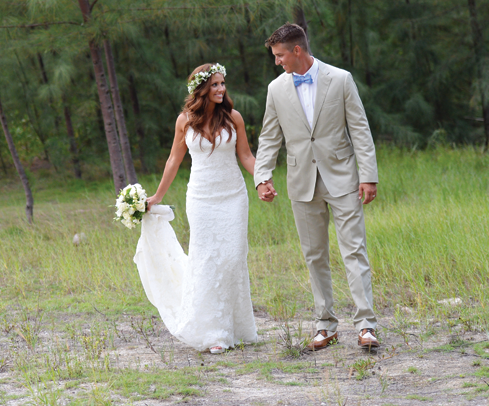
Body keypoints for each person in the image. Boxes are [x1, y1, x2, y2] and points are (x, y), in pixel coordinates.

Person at [254, 23, 380, 351]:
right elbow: (269, 136)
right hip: (301, 182)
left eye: (280, 55)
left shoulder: (340, 80)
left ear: (297, 50)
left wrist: (368, 175)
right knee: (314, 255)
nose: (277, 62)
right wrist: (262, 176)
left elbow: (360, 130)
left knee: (354, 250)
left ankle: (366, 324)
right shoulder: (276, 89)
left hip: (343, 179)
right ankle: (325, 325)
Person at [138, 63, 258, 354]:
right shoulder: (185, 121)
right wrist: (156, 196)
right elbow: (173, 161)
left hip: (233, 197)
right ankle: (213, 332)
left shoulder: (234, 117)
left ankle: (236, 327)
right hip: (202, 199)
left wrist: (262, 181)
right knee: (206, 259)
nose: (221, 89)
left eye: (222, 84)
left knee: (232, 257)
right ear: (201, 89)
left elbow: (245, 154)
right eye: (215, 85)